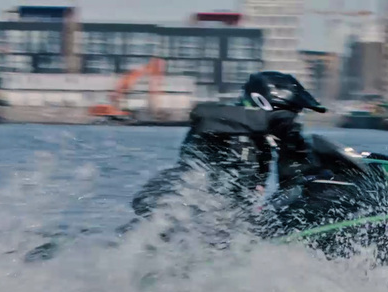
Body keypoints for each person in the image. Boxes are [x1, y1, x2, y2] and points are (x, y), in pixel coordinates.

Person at [133, 71, 329, 218]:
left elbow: (293, 176)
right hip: (179, 208)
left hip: (223, 219)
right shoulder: (220, 119)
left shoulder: (262, 144)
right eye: (291, 113)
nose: (294, 120)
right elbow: (203, 114)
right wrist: (276, 120)